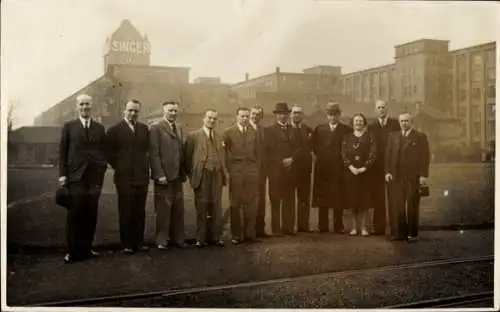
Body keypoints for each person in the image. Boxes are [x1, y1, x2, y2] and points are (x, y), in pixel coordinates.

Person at [58, 94, 108, 263]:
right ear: (77, 107)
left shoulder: (99, 128)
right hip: (75, 177)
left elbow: (104, 151)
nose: (85, 107)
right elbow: (62, 152)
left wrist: (101, 168)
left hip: (94, 179)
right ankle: (72, 251)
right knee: (75, 214)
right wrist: (63, 174)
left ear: (91, 106)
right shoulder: (69, 127)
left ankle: (86, 249)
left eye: (87, 104)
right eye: (82, 105)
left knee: (91, 214)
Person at [106, 99, 150, 254]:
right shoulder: (114, 130)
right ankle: (127, 244)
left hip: (141, 177)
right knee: (126, 210)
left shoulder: (144, 129)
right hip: (124, 178)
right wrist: (119, 165)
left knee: (140, 211)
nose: (133, 113)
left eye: (136, 111)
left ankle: (138, 243)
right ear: (124, 111)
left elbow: (147, 151)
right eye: (130, 110)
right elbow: (108, 152)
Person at [385, 112, 430, 242]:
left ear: (411, 122)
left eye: (406, 121)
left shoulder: (420, 137)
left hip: (413, 177)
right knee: (397, 206)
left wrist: (423, 175)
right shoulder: (393, 136)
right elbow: (388, 156)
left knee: (412, 205)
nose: (404, 123)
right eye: (402, 121)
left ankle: (412, 234)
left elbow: (425, 158)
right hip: (396, 177)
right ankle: (398, 233)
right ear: (399, 123)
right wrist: (387, 172)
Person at [185, 109, 227, 247]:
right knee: (202, 207)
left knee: (216, 206)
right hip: (202, 175)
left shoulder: (219, 136)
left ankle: (216, 237)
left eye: (214, 119)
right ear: (203, 118)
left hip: (217, 174)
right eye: (209, 118)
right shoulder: (193, 136)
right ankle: (200, 238)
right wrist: (193, 174)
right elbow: (187, 158)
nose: (212, 121)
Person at [149, 101, 187, 250]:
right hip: (164, 175)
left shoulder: (178, 127)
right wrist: (159, 174)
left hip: (177, 175)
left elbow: (180, 151)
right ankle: (161, 240)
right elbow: (154, 153)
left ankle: (178, 239)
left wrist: (182, 171)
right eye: (170, 111)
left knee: (178, 209)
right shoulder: (156, 127)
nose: (173, 113)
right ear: (163, 111)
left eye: (175, 111)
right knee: (163, 209)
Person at [311, 102, 351, 234]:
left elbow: (348, 148)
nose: (333, 117)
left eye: (335, 114)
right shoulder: (319, 129)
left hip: (339, 168)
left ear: (339, 115)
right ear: (327, 115)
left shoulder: (346, 130)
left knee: (338, 197)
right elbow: (314, 146)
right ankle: (322, 225)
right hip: (323, 168)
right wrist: (323, 157)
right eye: (330, 115)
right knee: (323, 197)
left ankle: (338, 225)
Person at [223, 107, 260, 244]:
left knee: (251, 204)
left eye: (246, 116)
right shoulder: (229, 132)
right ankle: (236, 235)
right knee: (235, 204)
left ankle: (250, 234)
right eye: (242, 116)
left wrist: (256, 168)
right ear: (236, 117)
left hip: (251, 172)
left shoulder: (254, 132)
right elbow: (225, 154)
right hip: (236, 173)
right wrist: (230, 169)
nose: (244, 119)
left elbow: (258, 152)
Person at [264, 102, 298, 236]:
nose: (283, 116)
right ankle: (276, 229)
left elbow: (300, 148)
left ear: (288, 115)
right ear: (276, 115)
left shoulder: (294, 130)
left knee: (289, 199)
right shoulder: (269, 130)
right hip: (276, 170)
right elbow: (268, 150)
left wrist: (292, 159)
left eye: (285, 114)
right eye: (280, 114)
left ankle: (288, 227)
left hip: (291, 170)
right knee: (276, 199)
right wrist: (280, 161)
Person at [367, 100, 400, 236]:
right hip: (376, 167)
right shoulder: (372, 127)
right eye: (378, 108)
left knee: (393, 197)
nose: (381, 110)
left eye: (383, 107)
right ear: (375, 110)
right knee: (378, 197)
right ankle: (378, 227)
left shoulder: (395, 124)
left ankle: (395, 227)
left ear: (387, 109)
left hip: (392, 166)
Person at [341, 113, 377, 237]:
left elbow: (373, 154)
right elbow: (344, 154)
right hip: (351, 173)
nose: (358, 123)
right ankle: (354, 227)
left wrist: (364, 168)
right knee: (353, 200)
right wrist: (351, 167)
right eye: (356, 121)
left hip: (365, 174)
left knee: (365, 201)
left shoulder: (369, 137)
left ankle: (365, 228)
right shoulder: (347, 137)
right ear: (352, 123)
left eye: (360, 121)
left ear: (364, 123)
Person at [290, 104, 313, 233]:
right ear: (291, 114)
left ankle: (303, 225)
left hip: (305, 170)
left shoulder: (308, 130)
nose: (297, 115)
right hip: (291, 169)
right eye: (294, 113)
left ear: (303, 115)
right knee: (290, 198)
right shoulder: (287, 130)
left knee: (304, 197)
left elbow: (310, 148)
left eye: (299, 113)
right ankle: (290, 225)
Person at [249, 105, 270, 238]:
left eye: (258, 114)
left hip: (261, 171)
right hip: (249, 171)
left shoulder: (264, 131)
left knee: (261, 200)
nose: (255, 116)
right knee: (249, 200)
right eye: (253, 114)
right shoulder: (245, 129)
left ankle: (260, 229)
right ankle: (249, 230)